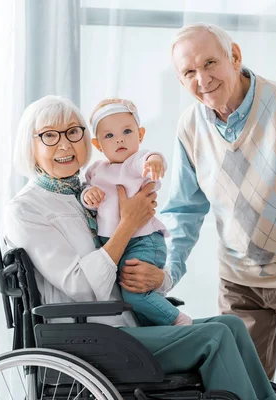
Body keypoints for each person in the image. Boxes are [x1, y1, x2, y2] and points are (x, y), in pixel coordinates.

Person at [118, 23, 276, 400]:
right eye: (188, 72)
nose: (202, 79)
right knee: (239, 392)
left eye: (210, 62)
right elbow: (184, 210)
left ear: (234, 56)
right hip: (240, 283)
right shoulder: (190, 126)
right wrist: (167, 274)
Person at [2, 95, 276, 400]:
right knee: (215, 338)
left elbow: (130, 258)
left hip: (123, 323)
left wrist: (158, 278)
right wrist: (129, 223)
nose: (65, 145)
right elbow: (80, 286)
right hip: (88, 340)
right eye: (50, 136)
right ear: (31, 145)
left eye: (73, 132)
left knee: (232, 326)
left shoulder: (86, 192)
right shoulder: (26, 209)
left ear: (87, 140)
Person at [81, 98, 191, 327]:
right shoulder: (95, 171)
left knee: (134, 293)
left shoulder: (134, 162)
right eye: (109, 136)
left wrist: (155, 162)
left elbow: (150, 157)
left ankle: (177, 320)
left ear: (140, 135)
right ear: (98, 144)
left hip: (143, 241)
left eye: (127, 131)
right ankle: (155, 326)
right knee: (128, 296)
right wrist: (88, 196)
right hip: (114, 244)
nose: (119, 139)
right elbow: (87, 195)